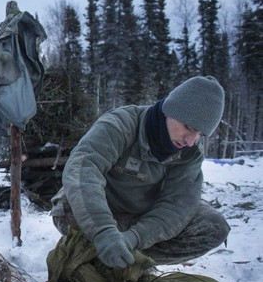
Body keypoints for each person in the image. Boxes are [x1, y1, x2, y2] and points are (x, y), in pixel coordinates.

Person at [50, 75, 230, 268]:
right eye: (189, 127)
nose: (190, 141)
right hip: (100, 211)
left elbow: (177, 206)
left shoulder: (190, 153)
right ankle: (101, 253)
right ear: (169, 111)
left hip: (141, 219)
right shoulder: (122, 124)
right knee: (67, 210)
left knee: (214, 226)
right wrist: (102, 230)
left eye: (199, 134)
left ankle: (124, 261)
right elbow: (83, 170)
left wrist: (135, 238)